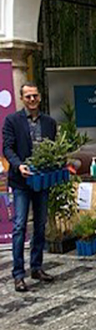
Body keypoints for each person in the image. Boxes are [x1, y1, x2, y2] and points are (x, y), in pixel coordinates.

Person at [2, 82, 57, 292]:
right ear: (22, 98)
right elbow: (7, 147)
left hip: (41, 181)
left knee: (40, 225)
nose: (32, 100)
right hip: (21, 181)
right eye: (28, 97)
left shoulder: (49, 123)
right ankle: (18, 274)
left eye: (35, 96)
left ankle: (36, 267)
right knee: (19, 226)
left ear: (40, 98)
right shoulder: (12, 120)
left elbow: (53, 149)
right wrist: (19, 165)